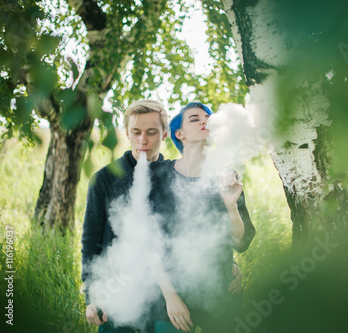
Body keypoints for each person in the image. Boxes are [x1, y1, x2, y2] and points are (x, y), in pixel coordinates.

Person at [81, 100, 244, 333]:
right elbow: (90, 241)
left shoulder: (172, 174)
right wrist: (93, 295)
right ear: (127, 132)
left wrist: (227, 263)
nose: (142, 140)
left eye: (151, 132)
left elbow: (195, 229)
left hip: (164, 300)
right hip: (119, 297)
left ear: (165, 134)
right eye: (136, 132)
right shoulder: (105, 179)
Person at [151, 102, 256, 333]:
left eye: (208, 117)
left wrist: (231, 206)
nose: (204, 121)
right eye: (195, 119)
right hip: (171, 296)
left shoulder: (226, 176)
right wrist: (170, 297)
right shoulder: (159, 176)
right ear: (179, 134)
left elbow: (240, 242)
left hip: (221, 292)